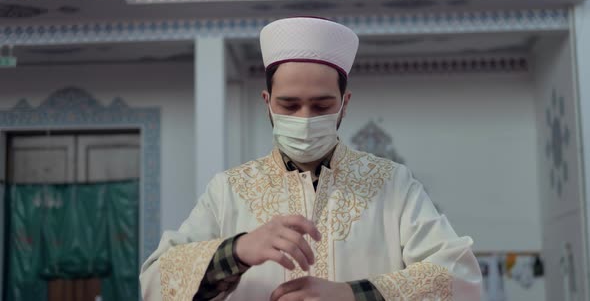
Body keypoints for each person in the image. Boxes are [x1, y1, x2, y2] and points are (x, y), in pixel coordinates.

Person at [140, 17, 482, 301]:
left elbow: (460, 279)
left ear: (345, 104)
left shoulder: (391, 184)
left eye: (321, 106)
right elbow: (156, 282)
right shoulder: (229, 190)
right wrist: (239, 250)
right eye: (289, 105)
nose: (304, 118)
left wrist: (351, 295)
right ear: (267, 102)